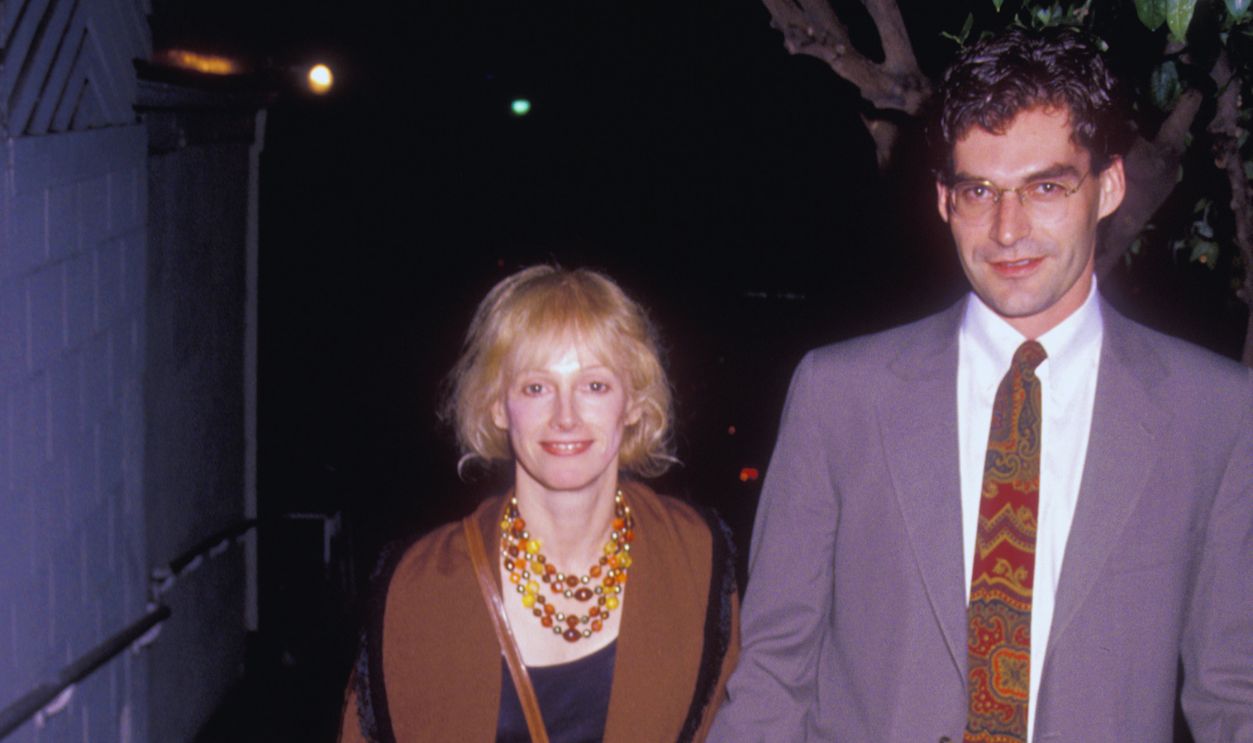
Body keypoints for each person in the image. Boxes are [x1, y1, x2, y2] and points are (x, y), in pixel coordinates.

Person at [708, 26, 1252, 743]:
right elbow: (773, 675)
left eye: (1046, 187)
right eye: (979, 191)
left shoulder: (1211, 410)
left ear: (1108, 186)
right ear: (942, 199)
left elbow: (1232, 693)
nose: (1006, 228)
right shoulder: (838, 395)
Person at [338, 265, 738, 743]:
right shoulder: (417, 586)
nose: (565, 417)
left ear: (632, 403)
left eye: (594, 386)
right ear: (496, 405)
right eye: (536, 387)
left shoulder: (696, 561)